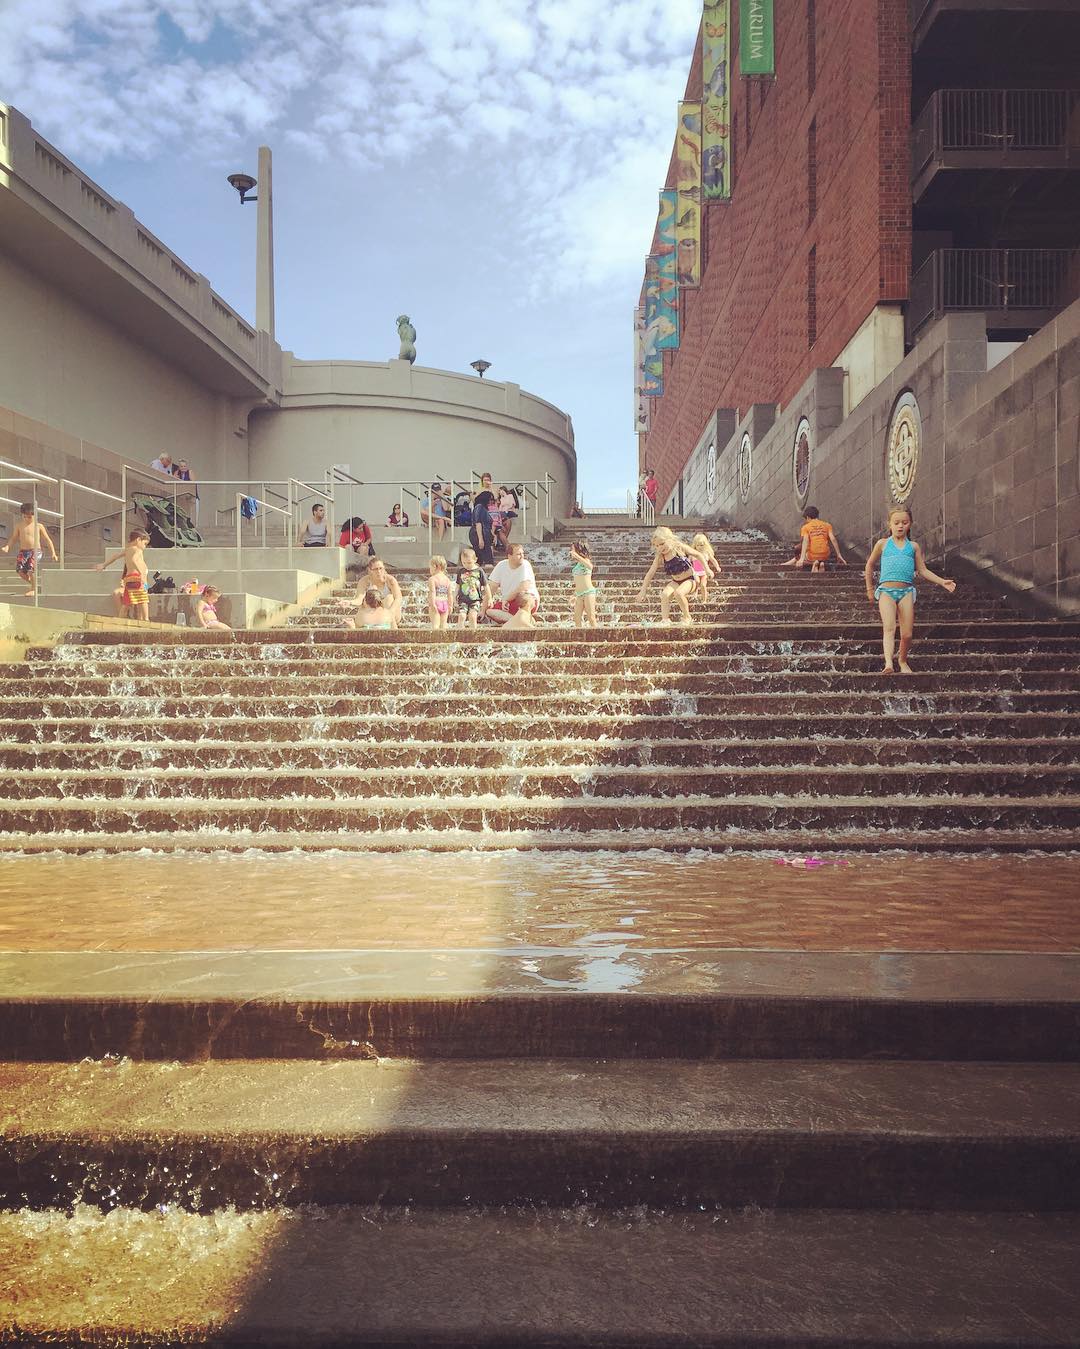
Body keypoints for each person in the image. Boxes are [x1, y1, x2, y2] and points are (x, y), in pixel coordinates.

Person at [865, 506, 956, 675]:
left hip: (906, 592)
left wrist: (942, 582)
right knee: (889, 627)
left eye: (904, 523)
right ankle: (888, 663)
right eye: (896, 523)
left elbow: (922, 570)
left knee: (907, 634)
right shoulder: (883, 544)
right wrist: (870, 588)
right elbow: (869, 564)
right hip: (886, 591)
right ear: (889, 524)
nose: (900, 526)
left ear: (910, 524)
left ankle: (902, 660)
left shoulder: (913, 546)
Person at [634, 527, 709, 625]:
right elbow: (650, 574)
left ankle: (687, 617)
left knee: (679, 593)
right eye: (656, 545)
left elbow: (698, 555)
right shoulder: (660, 556)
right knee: (665, 595)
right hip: (675, 582)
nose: (660, 547)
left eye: (662, 544)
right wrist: (643, 590)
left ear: (670, 539)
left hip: (691, 580)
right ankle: (665, 619)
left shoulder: (679, 548)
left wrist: (707, 569)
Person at [1, 502, 58, 596]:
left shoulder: (39, 526)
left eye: (30, 517)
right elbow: (14, 538)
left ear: (35, 515)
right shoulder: (19, 525)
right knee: (20, 571)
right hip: (23, 552)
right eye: (25, 517)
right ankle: (33, 583)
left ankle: (33, 589)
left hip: (35, 551)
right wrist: (7, 546)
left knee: (30, 569)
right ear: (22, 515)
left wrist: (53, 553)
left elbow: (48, 540)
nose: (27, 519)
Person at [95, 527, 151, 621]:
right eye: (145, 544)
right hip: (137, 578)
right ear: (138, 540)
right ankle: (146, 619)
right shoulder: (138, 550)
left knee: (126, 603)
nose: (145, 547)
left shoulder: (127, 549)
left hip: (128, 579)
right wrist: (141, 573)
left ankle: (120, 620)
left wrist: (103, 565)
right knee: (143, 599)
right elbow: (134, 560)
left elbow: (115, 556)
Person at [486, 542, 540, 624]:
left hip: (527, 600)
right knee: (489, 611)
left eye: (522, 553)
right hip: (509, 603)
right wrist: (482, 611)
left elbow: (523, 586)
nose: (522, 556)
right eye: (518, 554)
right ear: (509, 556)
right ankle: (517, 620)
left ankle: (519, 619)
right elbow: (491, 588)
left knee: (524, 597)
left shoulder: (525, 564)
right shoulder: (501, 565)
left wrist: (506, 599)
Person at [339, 558, 402, 629]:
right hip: (372, 613)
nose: (379, 571)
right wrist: (349, 602)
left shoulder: (390, 580)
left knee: (389, 598)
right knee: (363, 604)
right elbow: (359, 599)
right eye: (375, 569)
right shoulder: (364, 581)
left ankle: (393, 629)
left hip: (390, 614)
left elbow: (398, 598)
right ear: (370, 570)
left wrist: (390, 612)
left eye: (381, 568)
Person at [796, 506, 847, 573]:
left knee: (800, 557)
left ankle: (814, 564)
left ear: (808, 517)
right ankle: (820, 564)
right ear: (817, 515)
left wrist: (802, 559)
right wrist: (839, 554)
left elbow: (805, 541)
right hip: (825, 555)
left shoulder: (805, 527)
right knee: (822, 554)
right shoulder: (827, 525)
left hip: (812, 555)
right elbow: (833, 539)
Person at [456, 547, 491, 629]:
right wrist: (454, 596)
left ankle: (473, 633)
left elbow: (486, 586)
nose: (466, 565)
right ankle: (459, 632)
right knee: (461, 616)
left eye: (469, 563)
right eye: (463, 563)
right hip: (463, 599)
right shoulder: (461, 571)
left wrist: (489, 598)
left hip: (475, 599)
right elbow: (458, 585)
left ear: (475, 559)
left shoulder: (479, 571)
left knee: (472, 616)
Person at [570, 539, 598, 628]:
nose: (571, 551)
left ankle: (598, 638)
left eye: (573, 549)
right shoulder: (578, 564)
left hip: (588, 593)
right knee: (577, 618)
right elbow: (578, 581)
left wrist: (578, 556)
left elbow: (590, 566)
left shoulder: (585, 560)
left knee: (591, 617)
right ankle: (579, 638)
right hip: (579, 594)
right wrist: (574, 594)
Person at [470, 473, 497, 565]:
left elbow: (496, 497)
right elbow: (478, 523)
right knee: (482, 559)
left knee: (487, 560)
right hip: (478, 535)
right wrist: (481, 539)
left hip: (485, 535)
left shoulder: (484, 509)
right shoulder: (479, 507)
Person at [691, 533, 723, 601]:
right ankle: (695, 594)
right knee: (696, 582)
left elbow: (713, 560)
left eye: (702, 545)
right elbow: (687, 562)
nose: (700, 547)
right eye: (698, 545)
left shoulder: (706, 553)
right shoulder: (693, 553)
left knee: (703, 585)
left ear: (705, 545)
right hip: (695, 572)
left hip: (704, 572)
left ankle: (704, 600)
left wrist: (717, 567)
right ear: (695, 545)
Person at [427, 555, 454, 630]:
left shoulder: (432, 579)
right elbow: (450, 594)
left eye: (430, 567)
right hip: (445, 603)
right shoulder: (447, 579)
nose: (430, 570)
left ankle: (435, 640)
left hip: (436, 602)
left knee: (435, 625)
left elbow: (432, 592)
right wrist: (450, 606)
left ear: (435, 566)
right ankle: (444, 641)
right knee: (443, 625)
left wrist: (432, 604)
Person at [172, 459, 199, 524]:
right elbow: (172, 480)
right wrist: (175, 477)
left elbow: (193, 483)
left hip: (189, 494)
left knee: (188, 508)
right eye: (181, 466)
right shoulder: (176, 472)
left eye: (184, 466)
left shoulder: (190, 472)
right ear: (179, 467)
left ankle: (188, 520)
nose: (183, 468)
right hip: (180, 494)